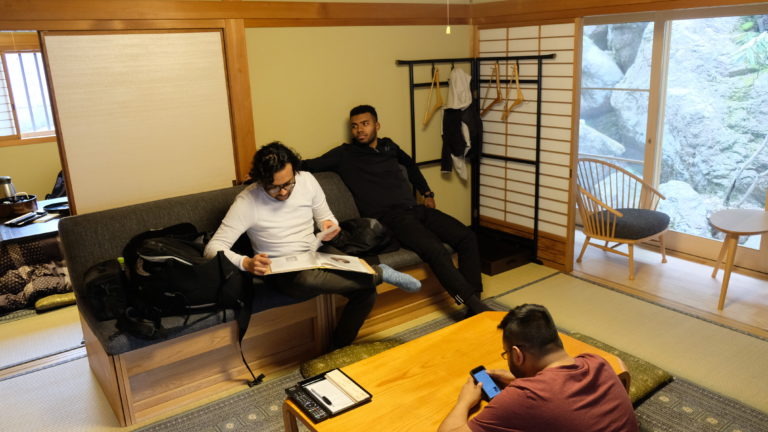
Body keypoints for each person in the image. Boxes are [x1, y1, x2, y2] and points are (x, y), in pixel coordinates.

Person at [204, 142, 421, 349]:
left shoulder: (306, 180)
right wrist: (246, 263)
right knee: (306, 280)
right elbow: (213, 249)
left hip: (316, 252)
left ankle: (337, 347)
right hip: (282, 268)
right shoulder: (247, 201)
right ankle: (379, 273)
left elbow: (326, 217)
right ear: (260, 180)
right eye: (274, 187)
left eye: (288, 183)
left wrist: (329, 226)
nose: (283, 192)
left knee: (366, 292)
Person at [302, 105, 490, 317]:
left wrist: (427, 193)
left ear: (377, 125)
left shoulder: (388, 146)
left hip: (415, 209)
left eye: (365, 124)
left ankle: (475, 298)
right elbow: (308, 165)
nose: (359, 130)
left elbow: (409, 164)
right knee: (434, 249)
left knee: (467, 236)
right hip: (390, 218)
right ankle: (475, 306)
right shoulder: (345, 154)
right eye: (354, 126)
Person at [438, 304, 639, 432]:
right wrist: (518, 380)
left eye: (507, 354)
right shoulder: (596, 361)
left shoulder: (524, 397)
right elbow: (560, 393)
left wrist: (465, 402)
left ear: (517, 354)